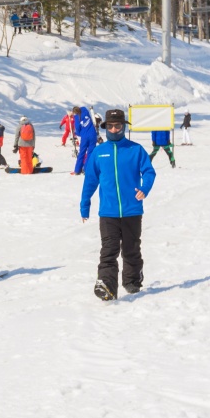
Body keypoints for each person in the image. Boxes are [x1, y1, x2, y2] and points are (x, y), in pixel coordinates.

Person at [80, 108, 156, 300]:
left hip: (132, 210)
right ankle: (106, 285)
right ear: (106, 128)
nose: (114, 129)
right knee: (109, 250)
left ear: (124, 127)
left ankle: (132, 281)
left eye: (118, 126)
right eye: (111, 126)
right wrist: (85, 204)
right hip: (108, 212)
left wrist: (144, 188)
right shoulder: (99, 152)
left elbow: (149, 172)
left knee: (131, 249)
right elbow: (90, 180)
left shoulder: (135, 149)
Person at [71, 106, 97, 175]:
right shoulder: (86, 112)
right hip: (93, 135)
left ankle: (77, 170)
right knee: (90, 153)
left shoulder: (77, 118)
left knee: (82, 153)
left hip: (84, 137)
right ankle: (86, 169)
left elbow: (77, 130)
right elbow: (84, 108)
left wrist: (77, 133)